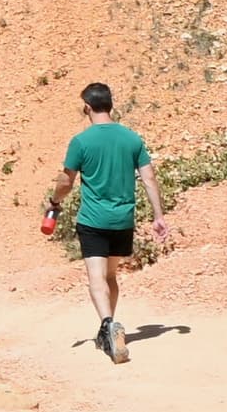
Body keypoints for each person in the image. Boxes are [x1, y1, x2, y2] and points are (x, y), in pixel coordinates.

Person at [43, 81, 164, 362]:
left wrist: (54, 202)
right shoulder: (131, 139)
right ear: (111, 105)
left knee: (96, 278)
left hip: (93, 220)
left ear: (87, 107)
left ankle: (108, 324)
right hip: (123, 220)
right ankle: (108, 330)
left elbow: (66, 181)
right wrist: (158, 216)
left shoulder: (81, 141)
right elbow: (149, 178)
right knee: (111, 276)